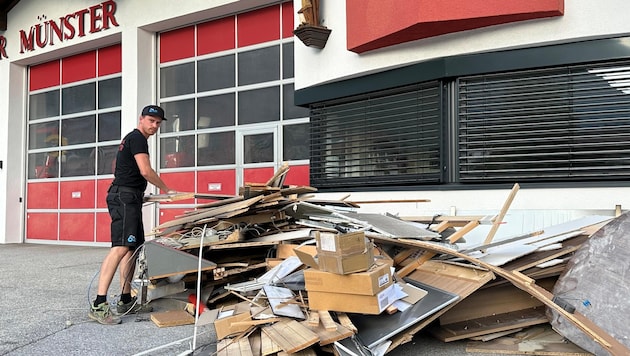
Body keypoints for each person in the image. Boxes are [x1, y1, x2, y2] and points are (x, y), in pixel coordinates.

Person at [89, 105, 176, 325]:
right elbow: (145, 170)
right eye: (151, 121)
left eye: (158, 123)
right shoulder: (137, 138)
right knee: (120, 248)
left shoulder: (135, 139)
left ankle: (126, 300)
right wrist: (166, 190)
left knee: (132, 249)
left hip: (131, 197)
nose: (154, 126)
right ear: (141, 119)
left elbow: (132, 172)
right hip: (124, 199)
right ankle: (99, 304)